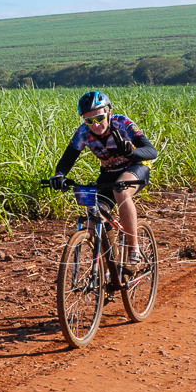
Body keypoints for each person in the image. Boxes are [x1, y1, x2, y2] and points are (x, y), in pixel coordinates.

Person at [49, 91, 158, 272]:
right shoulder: (83, 133)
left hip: (136, 167)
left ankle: (134, 251)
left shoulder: (122, 123)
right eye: (89, 120)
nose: (96, 124)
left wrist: (132, 152)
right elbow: (68, 158)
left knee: (121, 191)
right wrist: (59, 175)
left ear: (109, 112)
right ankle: (110, 271)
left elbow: (151, 151)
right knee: (94, 216)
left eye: (99, 118)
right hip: (109, 173)